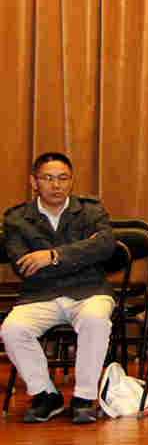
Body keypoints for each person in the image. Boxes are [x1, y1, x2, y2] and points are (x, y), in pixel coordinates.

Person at [1, 153, 117, 424]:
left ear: (71, 181)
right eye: (48, 178)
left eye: (63, 178)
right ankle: (46, 395)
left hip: (89, 290)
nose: (56, 185)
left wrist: (52, 256)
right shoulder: (16, 219)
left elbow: (105, 247)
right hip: (40, 295)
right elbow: (22, 266)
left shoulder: (91, 211)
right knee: (12, 330)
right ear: (34, 182)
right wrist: (82, 254)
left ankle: (84, 398)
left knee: (96, 320)